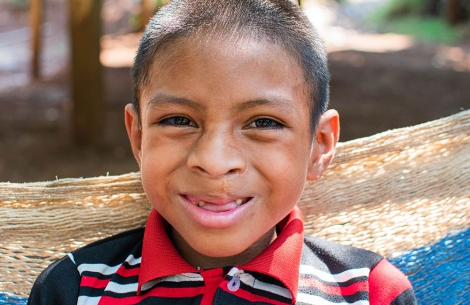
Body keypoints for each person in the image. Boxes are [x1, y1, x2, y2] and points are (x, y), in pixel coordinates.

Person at [27, 0, 417, 304]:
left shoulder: (371, 292)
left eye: (263, 123)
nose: (214, 162)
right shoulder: (73, 289)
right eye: (179, 120)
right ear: (138, 138)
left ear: (320, 146)